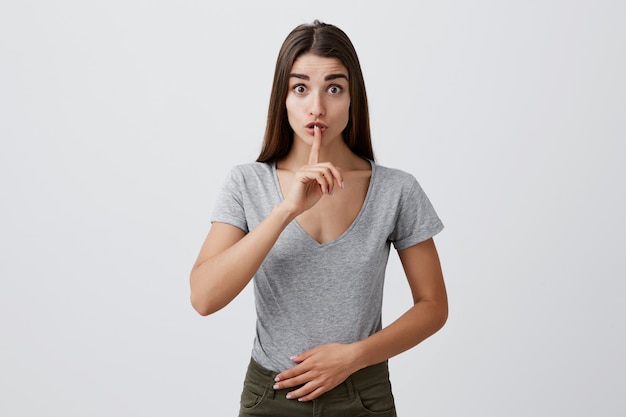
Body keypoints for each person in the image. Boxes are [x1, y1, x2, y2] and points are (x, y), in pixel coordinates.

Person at [190, 20, 448, 417]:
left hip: (363, 396)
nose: (317, 107)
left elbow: (433, 306)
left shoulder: (396, 190)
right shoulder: (247, 183)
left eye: (333, 88)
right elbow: (204, 298)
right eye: (300, 88)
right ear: (283, 99)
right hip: (270, 398)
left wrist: (354, 356)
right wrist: (286, 210)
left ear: (352, 98)